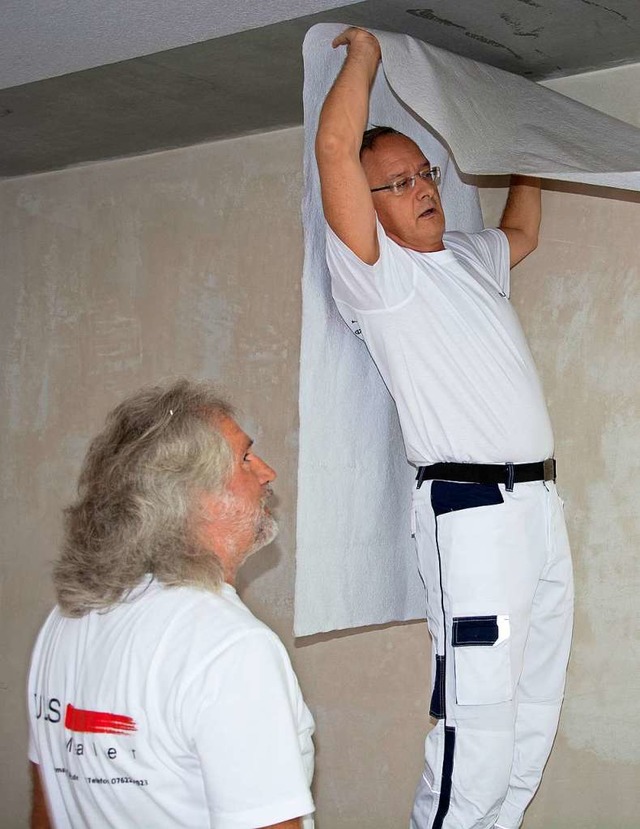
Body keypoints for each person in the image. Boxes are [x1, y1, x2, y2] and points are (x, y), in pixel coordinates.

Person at [315, 27, 573, 829]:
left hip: (539, 507)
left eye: (424, 172)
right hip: (472, 512)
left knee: (533, 708)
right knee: (479, 724)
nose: (422, 185)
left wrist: (528, 150)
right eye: (397, 181)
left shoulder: (465, 256)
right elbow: (333, 147)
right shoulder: (376, 278)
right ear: (371, 208)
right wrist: (364, 56)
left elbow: (522, 233)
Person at [27, 379, 315, 829]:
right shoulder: (231, 648)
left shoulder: (67, 620)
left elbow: (46, 806)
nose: (266, 472)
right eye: (244, 458)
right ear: (193, 495)